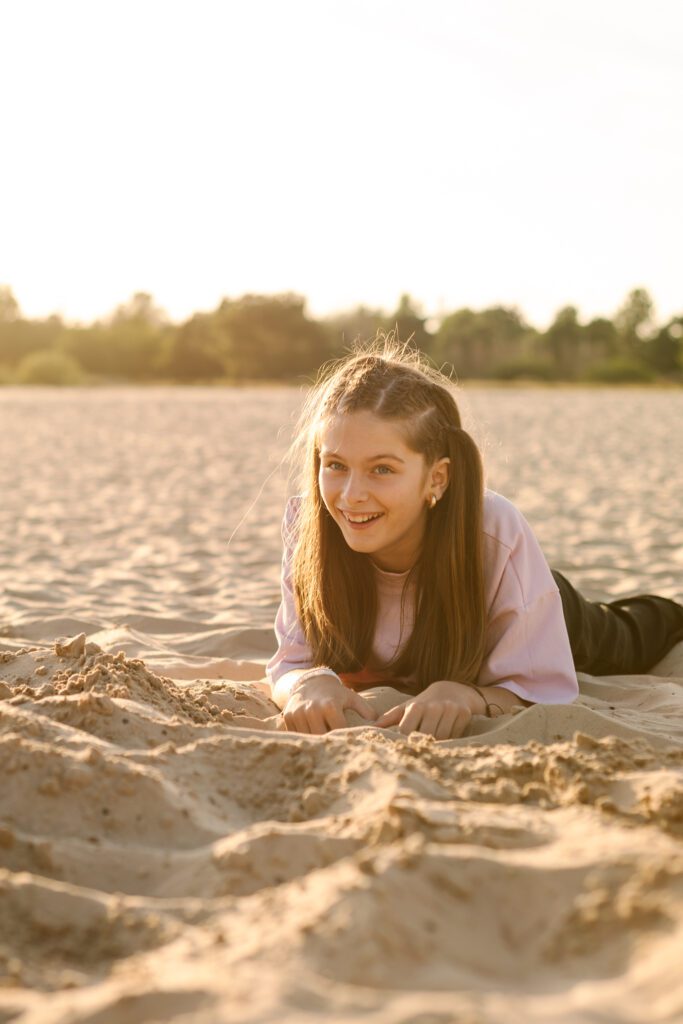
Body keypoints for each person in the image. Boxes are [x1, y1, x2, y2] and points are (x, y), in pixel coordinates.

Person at [266, 342, 683, 739]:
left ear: (437, 478)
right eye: (335, 464)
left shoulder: (494, 533)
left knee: (631, 632)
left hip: (533, 604)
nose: (351, 494)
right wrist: (305, 684)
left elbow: (540, 687)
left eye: (382, 470)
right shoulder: (309, 525)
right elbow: (288, 665)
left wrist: (469, 695)